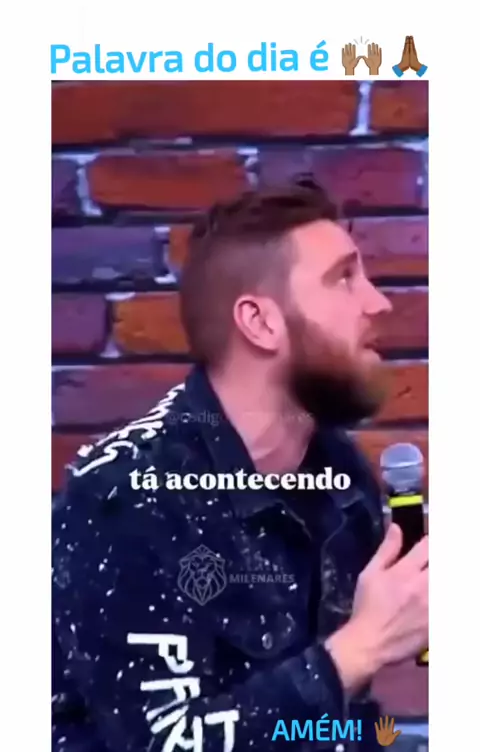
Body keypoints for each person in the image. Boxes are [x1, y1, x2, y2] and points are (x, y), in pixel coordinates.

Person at [52, 184, 428, 752]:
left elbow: (339, 723)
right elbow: (166, 741)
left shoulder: (339, 474)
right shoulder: (127, 498)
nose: (378, 303)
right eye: (343, 279)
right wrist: (362, 647)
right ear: (260, 322)